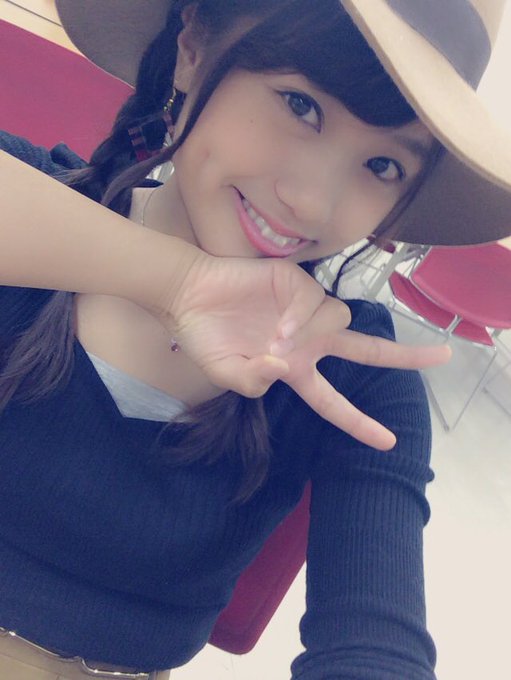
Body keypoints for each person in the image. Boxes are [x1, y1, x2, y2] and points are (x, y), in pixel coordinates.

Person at [1, 1, 511, 679]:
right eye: (301, 105)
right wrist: (174, 280)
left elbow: (372, 646)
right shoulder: (34, 213)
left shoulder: (356, 379)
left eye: (383, 165)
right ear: (192, 47)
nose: (312, 201)